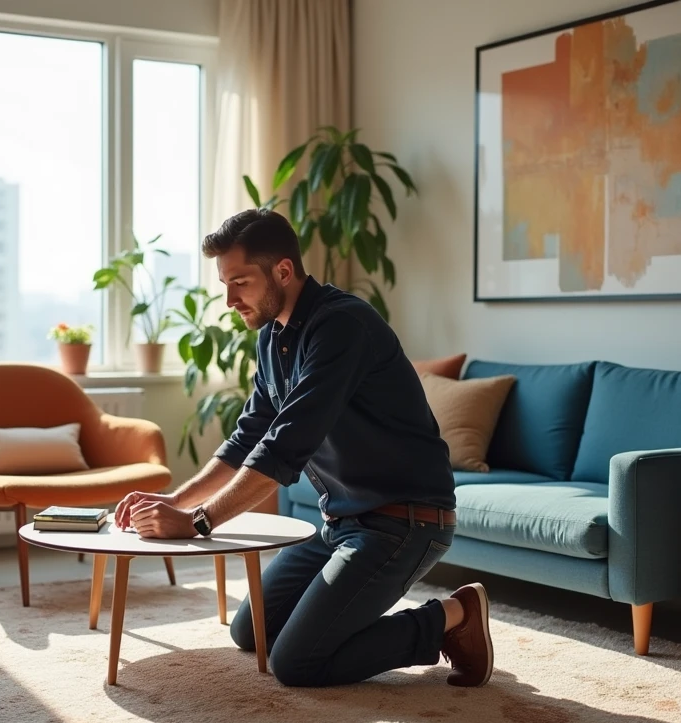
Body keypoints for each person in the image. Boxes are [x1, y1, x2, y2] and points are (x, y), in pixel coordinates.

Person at [115, 208, 492, 689]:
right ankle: (350, 625)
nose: (229, 300)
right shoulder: (272, 337)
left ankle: (454, 616)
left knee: (296, 664)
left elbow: (284, 446)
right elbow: (248, 436)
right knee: (251, 631)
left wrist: (199, 521)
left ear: (283, 271)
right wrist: (176, 500)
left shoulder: (342, 326)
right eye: (225, 284)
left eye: (241, 283)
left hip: (405, 523)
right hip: (342, 524)